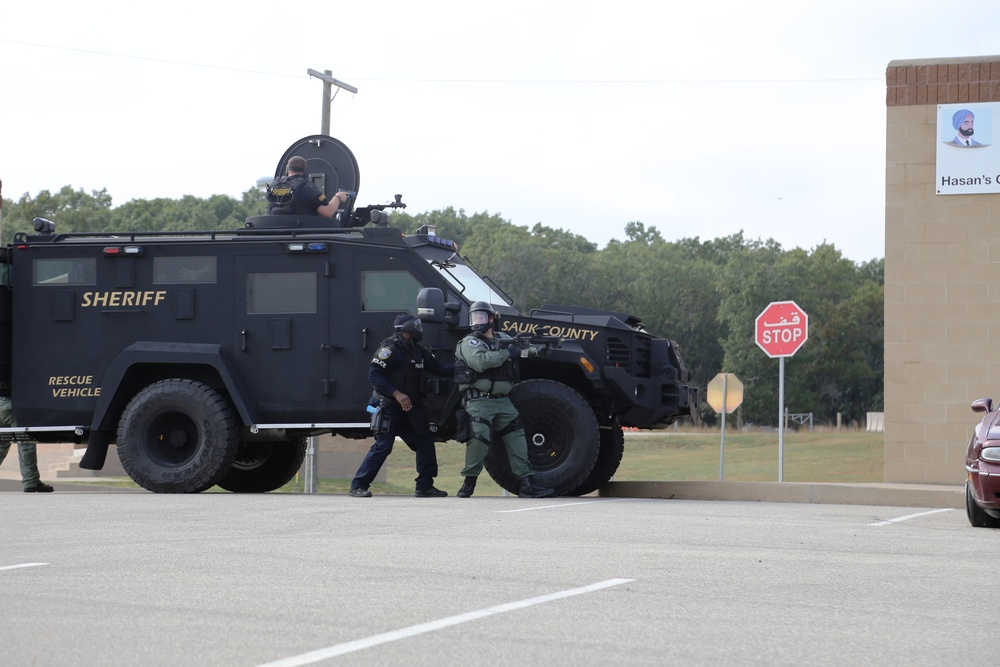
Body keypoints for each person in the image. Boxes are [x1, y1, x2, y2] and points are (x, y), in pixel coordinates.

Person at [453, 301, 554, 499]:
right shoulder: (470, 342)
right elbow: (481, 362)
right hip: (479, 401)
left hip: (503, 401)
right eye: (474, 318)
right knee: (479, 439)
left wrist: (536, 351)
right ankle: (468, 483)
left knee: (517, 440)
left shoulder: (503, 338)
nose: (476, 322)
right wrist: (508, 352)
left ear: (491, 319)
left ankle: (527, 485)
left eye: (481, 317)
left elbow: (521, 350)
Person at [350, 314, 453, 498]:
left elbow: (440, 369)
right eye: (415, 326)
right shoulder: (390, 349)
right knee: (384, 444)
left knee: (424, 440)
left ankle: (424, 486)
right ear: (405, 330)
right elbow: (374, 375)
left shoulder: (419, 352)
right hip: (387, 405)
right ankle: (358, 485)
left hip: (409, 407)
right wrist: (397, 394)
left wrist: (465, 367)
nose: (419, 329)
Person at [266, 155, 348, 217]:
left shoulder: (273, 186)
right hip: (302, 236)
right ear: (305, 171)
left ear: (287, 169)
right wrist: (338, 197)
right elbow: (328, 212)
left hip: (275, 235)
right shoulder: (307, 188)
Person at [0, 397, 53, 493]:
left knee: (2, 443)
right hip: (9, 405)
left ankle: (31, 482)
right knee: (25, 443)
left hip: (3, 406)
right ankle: (31, 482)